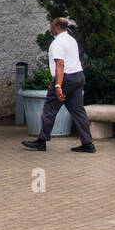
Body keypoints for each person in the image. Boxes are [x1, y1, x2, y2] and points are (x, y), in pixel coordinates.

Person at [22, 16, 96, 153]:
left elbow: (60, 64)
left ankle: (41, 141)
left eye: (51, 25)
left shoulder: (57, 43)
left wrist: (58, 86)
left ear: (57, 27)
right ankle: (88, 144)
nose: (50, 27)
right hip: (78, 76)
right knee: (79, 112)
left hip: (66, 79)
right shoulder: (72, 40)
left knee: (49, 109)